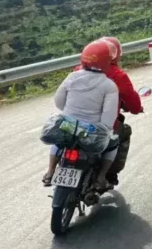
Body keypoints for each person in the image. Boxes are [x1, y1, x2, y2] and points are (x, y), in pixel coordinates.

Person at [43, 40, 120, 191]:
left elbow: (59, 102)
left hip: (68, 125)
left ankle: (51, 171)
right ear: (107, 61)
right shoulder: (109, 86)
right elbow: (108, 120)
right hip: (91, 131)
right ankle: (100, 178)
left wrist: (72, 115)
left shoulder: (72, 77)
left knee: (59, 140)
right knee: (114, 144)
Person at [71, 37, 142, 186]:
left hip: (74, 121)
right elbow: (133, 103)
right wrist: (136, 109)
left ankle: (52, 171)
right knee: (123, 133)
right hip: (103, 125)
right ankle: (107, 174)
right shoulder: (118, 75)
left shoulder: (77, 71)